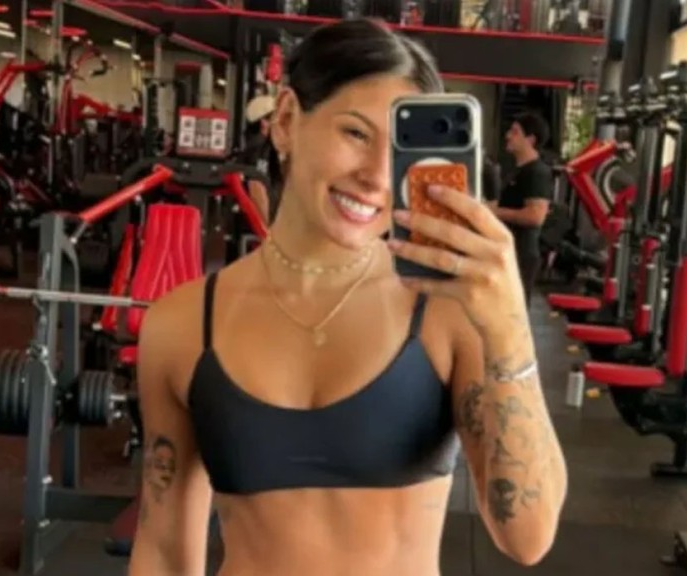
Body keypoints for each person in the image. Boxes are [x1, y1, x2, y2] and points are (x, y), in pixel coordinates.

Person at [130, 18, 567, 576]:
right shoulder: (183, 323)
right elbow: (163, 548)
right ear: (286, 120)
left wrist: (508, 329)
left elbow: (528, 538)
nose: (377, 177)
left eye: (400, 149)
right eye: (356, 134)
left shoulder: (446, 311)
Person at [490, 112, 554, 304]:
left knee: (513, 309)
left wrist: (493, 212)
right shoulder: (517, 171)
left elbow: (535, 216)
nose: (508, 136)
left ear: (531, 139)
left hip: (522, 252)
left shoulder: (537, 172)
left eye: (515, 132)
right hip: (508, 250)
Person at [240, 94, 277, 225]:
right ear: (264, 123)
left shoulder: (259, 146)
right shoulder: (259, 148)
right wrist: (269, 229)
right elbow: (256, 188)